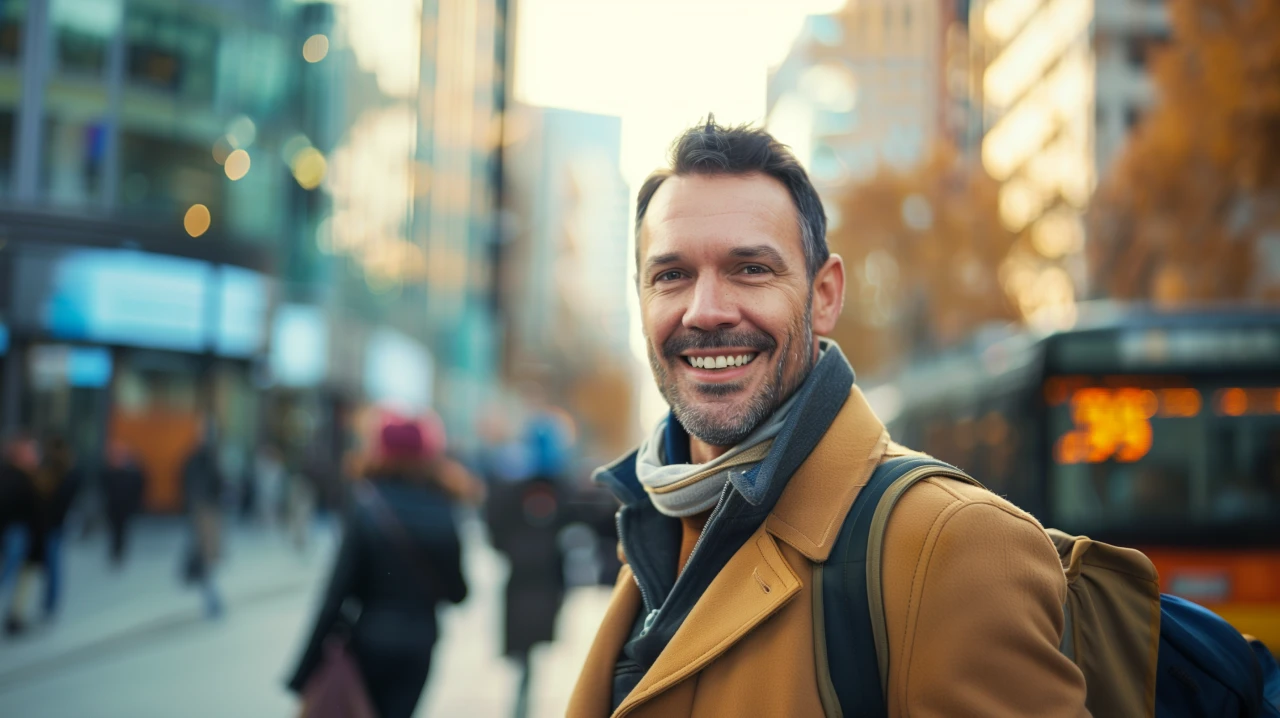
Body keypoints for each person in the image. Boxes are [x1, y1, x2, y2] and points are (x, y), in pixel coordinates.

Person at [567, 119, 1089, 717]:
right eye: (672, 276)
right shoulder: (657, 521)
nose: (705, 311)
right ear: (641, 298)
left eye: (751, 269)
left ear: (825, 295)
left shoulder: (956, 545)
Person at [287, 412, 473, 718]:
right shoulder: (445, 509)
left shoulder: (367, 506)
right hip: (420, 646)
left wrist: (304, 670)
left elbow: (336, 595)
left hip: (370, 642)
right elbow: (458, 593)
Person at [181, 422, 226, 619]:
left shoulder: (204, 459)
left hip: (206, 510)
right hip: (205, 511)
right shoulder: (202, 459)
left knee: (206, 556)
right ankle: (212, 600)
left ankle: (212, 599)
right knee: (207, 557)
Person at [0, 434, 40, 637]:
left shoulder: (31, 476)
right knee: (7, 575)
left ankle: (15, 618)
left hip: (24, 534)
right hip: (16, 532)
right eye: (31, 451)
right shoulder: (13, 477)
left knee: (21, 577)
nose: (36, 455)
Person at [102, 440, 146, 569]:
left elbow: (138, 487)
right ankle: (115, 552)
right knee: (114, 531)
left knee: (123, 531)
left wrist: (135, 503)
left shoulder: (132, 472)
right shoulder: (108, 472)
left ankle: (119, 553)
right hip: (113, 507)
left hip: (125, 507)